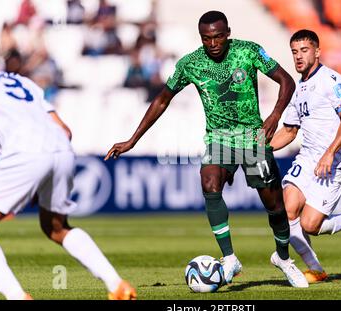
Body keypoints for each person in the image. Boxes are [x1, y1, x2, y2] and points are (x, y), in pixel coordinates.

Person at [105, 11, 309, 288]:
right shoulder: (191, 63)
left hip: (253, 138)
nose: (212, 43)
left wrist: (274, 116)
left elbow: (287, 81)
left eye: (217, 37)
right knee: (209, 183)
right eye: (206, 38)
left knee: (274, 206)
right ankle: (229, 259)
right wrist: (133, 140)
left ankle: (283, 258)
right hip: (219, 139)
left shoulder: (248, 51)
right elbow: (162, 100)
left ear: (227, 33)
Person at [0, 38, 136, 300]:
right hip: (60, 149)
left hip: (24, 152)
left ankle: (16, 296)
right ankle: (117, 285)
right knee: (56, 228)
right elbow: (65, 130)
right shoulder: (21, 82)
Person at [270, 29, 341, 283]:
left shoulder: (331, 80)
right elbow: (290, 131)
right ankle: (315, 269)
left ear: (317, 51)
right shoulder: (299, 88)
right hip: (307, 158)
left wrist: (329, 152)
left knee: (310, 225)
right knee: (286, 211)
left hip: (334, 162)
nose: (299, 56)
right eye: (294, 52)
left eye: (304, 50)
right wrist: (262, 148)